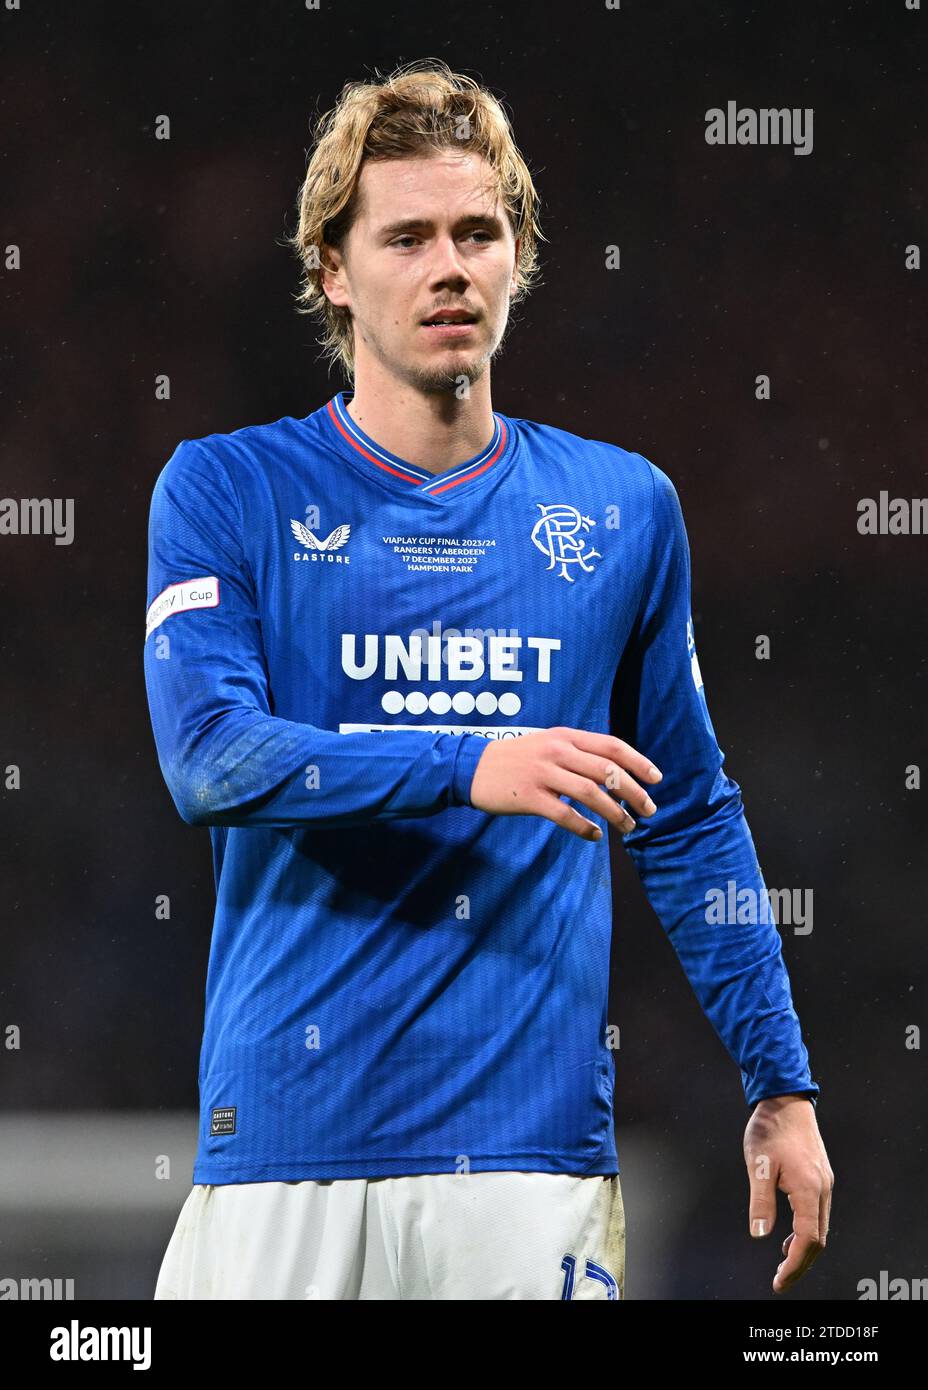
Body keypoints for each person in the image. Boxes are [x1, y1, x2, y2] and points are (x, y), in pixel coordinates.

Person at [144, 59, 832, 1300]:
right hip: (283, 1158)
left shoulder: (621, 509)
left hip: (528, 1171)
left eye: (479, 230)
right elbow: (211, 756)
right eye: (405, 236)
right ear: (332, 275)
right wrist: (474, 762)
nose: (449, 265)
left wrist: (777, 1080)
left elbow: (688, 814)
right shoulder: (227, 489)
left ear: (519, 256)